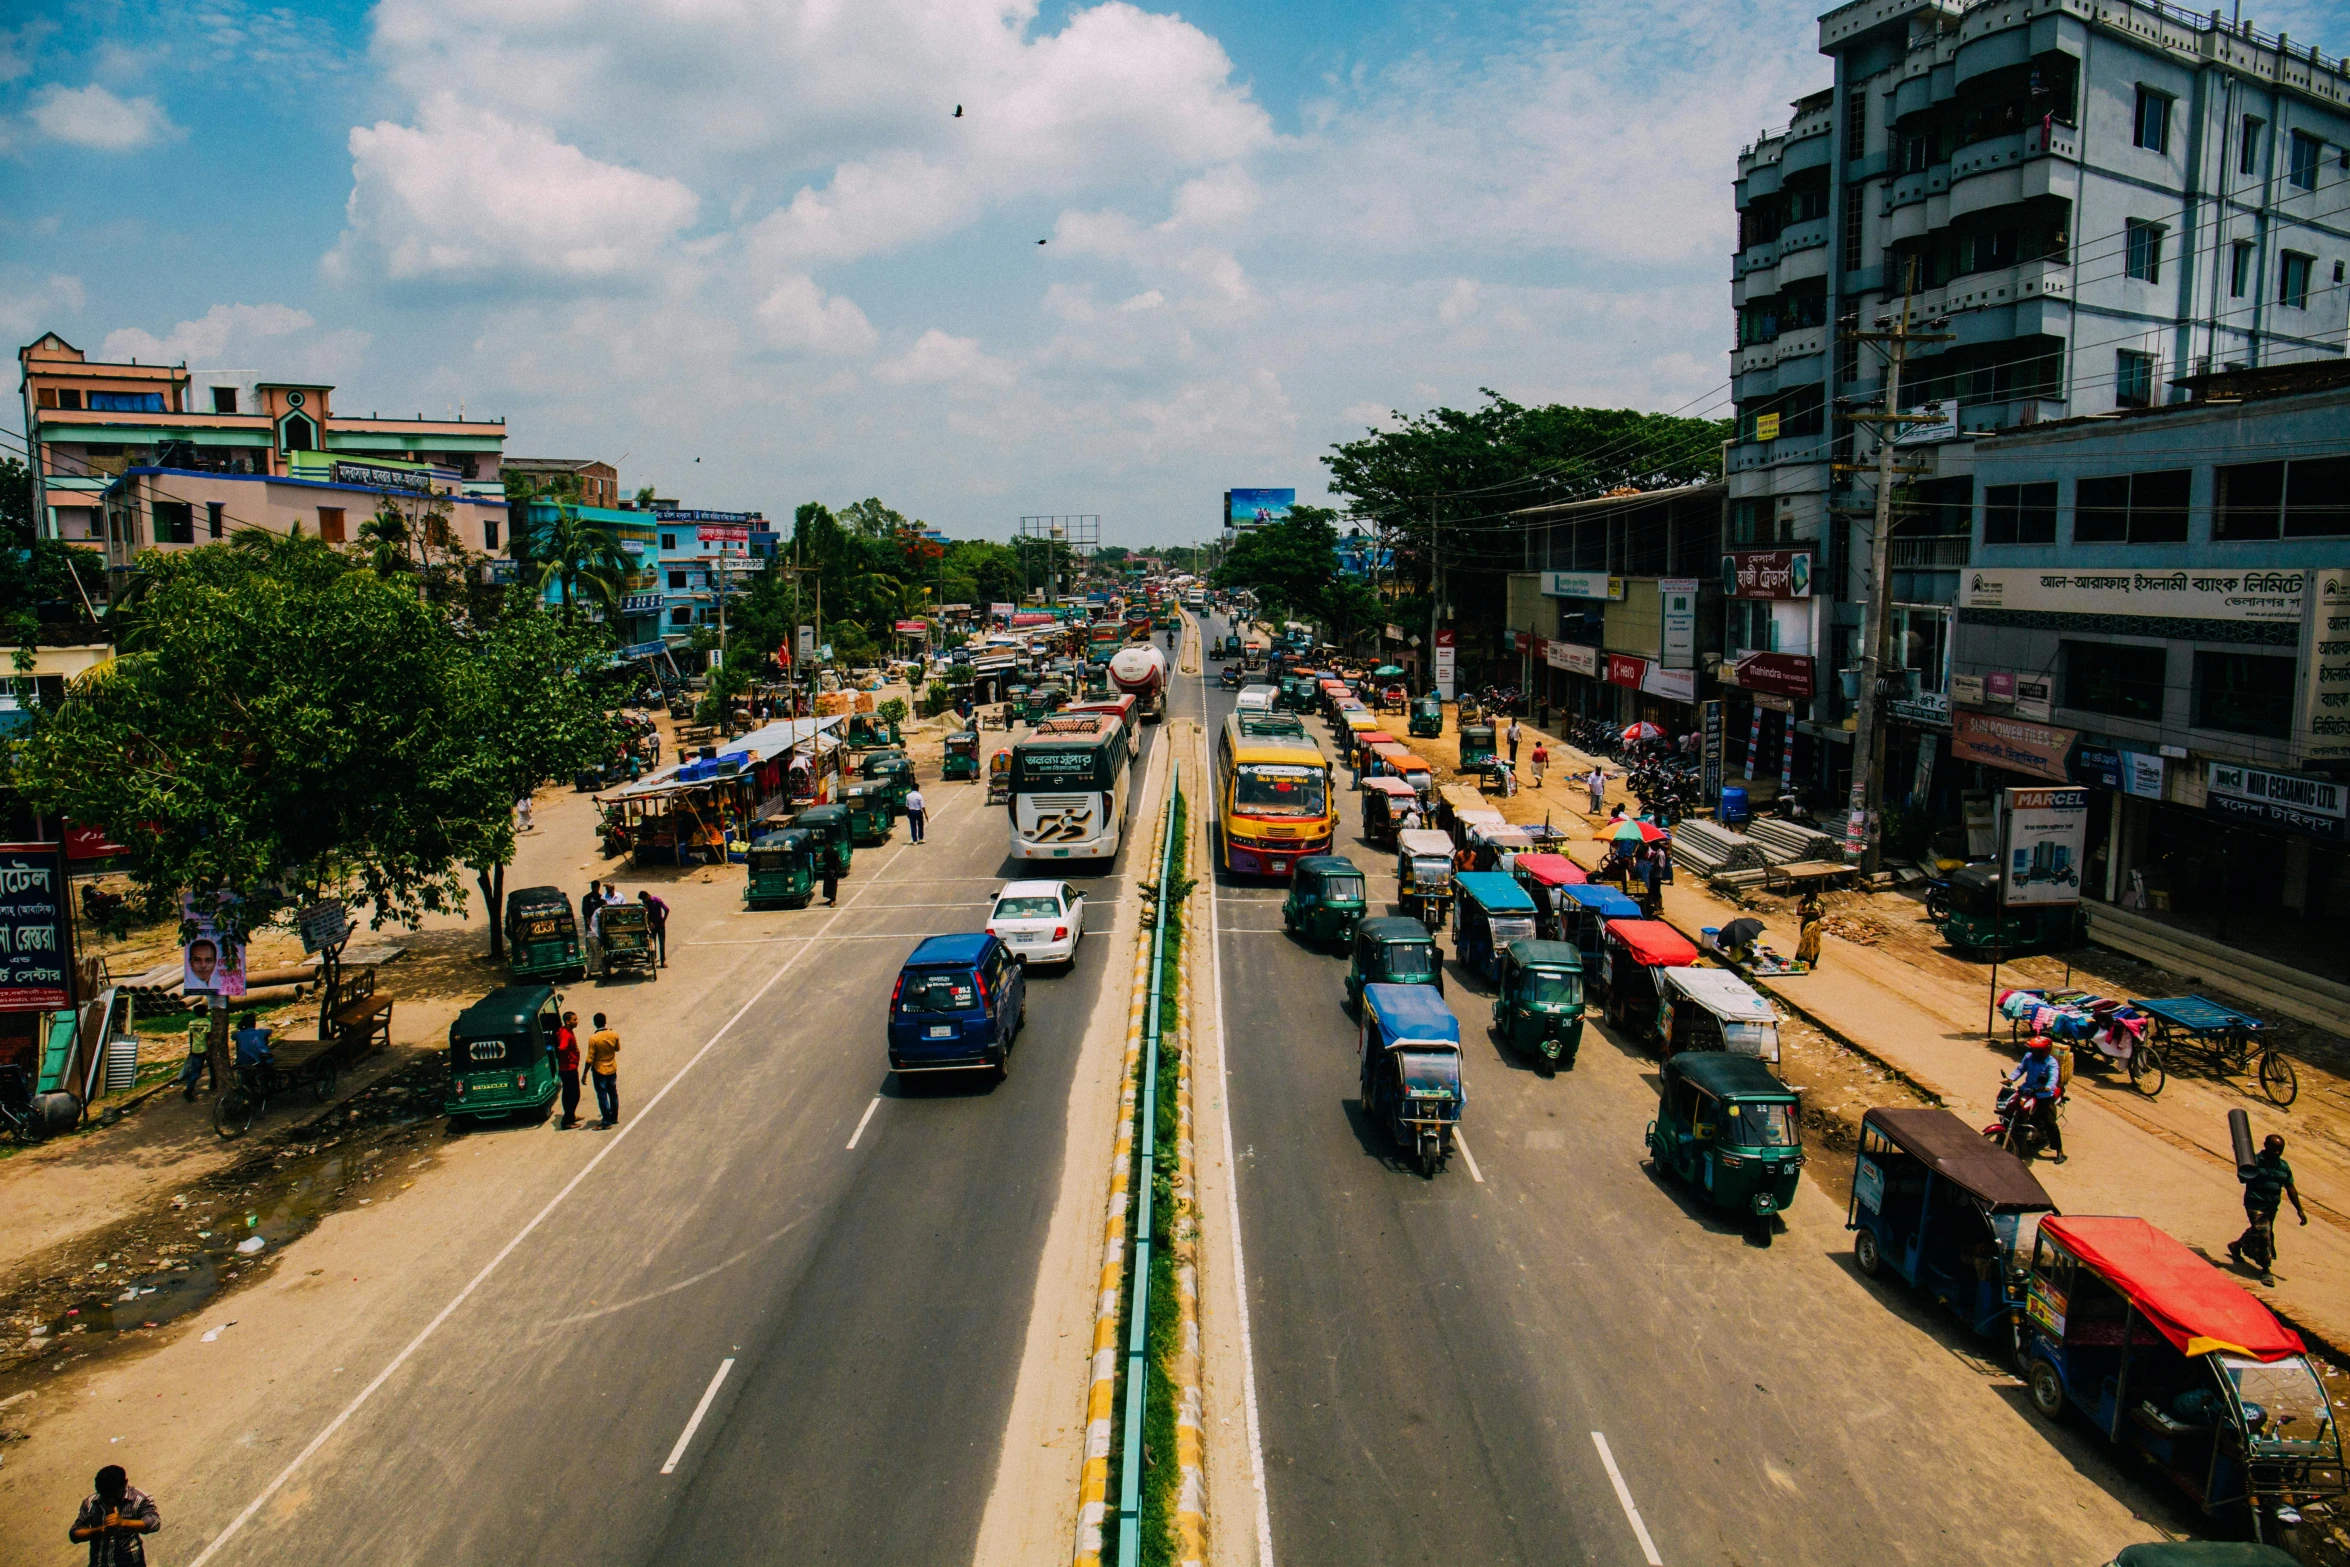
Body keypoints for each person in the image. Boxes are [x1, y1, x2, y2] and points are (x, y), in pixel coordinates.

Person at [2229, 1134, 2307, 1279]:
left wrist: (2300, 1210)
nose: (2277, 1153)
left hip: (2271, 1206)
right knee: (2264, 1234)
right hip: (2255, 1203)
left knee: (2258, 1230)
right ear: (2266, 1146)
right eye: (2275, 1149)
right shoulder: (2255, 1161)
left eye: (2280, 1150)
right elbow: (2243, 1178)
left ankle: (2236, 1246)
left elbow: (2290, 1188)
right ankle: (2266, 1269)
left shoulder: (2283, 1166)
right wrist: (2242, 1164)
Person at [70, 1464, 160, 1566]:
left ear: (125, 1483)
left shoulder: (139, 1499)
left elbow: (154, 1523)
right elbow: (74, 1534)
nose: (110, 1500)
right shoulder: (90, 1503)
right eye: (106, 1496)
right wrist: (99, 1530)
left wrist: (124, 1522)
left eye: (115, 1495)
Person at [2004, 1036, 2066, 1163]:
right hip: (2027, 1090)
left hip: (2043, 1095)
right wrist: (2011, 1078)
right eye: (2033, 1049)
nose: (2034, 1052)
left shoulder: (2051, 1063)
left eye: (2037, 1050)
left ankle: (2060, 1151)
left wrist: (2048, 1087)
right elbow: (2020, 1068)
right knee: (2011, 1107)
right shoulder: (2028, 1057)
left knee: (2050, 1123)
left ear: (2046, 1051)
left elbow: (2053, 1078)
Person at [586, 1012, 621, 1128]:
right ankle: (614, 1117)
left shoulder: (593, 1038)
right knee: (613, 1093)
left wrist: (584, 1073)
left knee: (602, 1096)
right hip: (611, 1068)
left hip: (599, 1070)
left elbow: (590, 1058)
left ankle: (606, 1121)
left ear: (594, 1023)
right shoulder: (613, 1034)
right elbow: (617, 1048)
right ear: (605, 1021)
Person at [554, 1011, 583, 1129]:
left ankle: (571, 1115)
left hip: (567, 1067)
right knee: (574, 1094)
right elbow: (563, 1047)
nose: (577, 1022)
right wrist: (570, 1058)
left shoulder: (565, 1031)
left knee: (568, 1093)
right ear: (567, 1021)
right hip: (568, 1069)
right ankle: (567, 1121)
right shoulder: (566, 1034)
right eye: (574, 1020)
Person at [1795, 889, 1825, 970]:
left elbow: (1824, 912)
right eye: (1813, 893)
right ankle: (1800, 961)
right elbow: (1798, 912)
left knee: (1815, 944)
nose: (1815, 895)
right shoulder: (1804, 902)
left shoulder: (1820, 902)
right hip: (1806, 924)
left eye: (1816, 893)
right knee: (1805, 943)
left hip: (1816, 925)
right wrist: (1808, 913)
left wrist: (1819, 915)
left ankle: (1812, 963)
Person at [638, 889, 668, 967]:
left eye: (643, 899)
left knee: (661, 944)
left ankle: (663, 961)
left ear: (647, 896)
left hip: (660, 925)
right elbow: (645, 914)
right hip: (653, 925)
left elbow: (667, 909)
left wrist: (663, 920)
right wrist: (649, 922)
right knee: (652, 944)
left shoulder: (657, 900)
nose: (643, 901)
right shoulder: (645, 903)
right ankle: (654, 960)